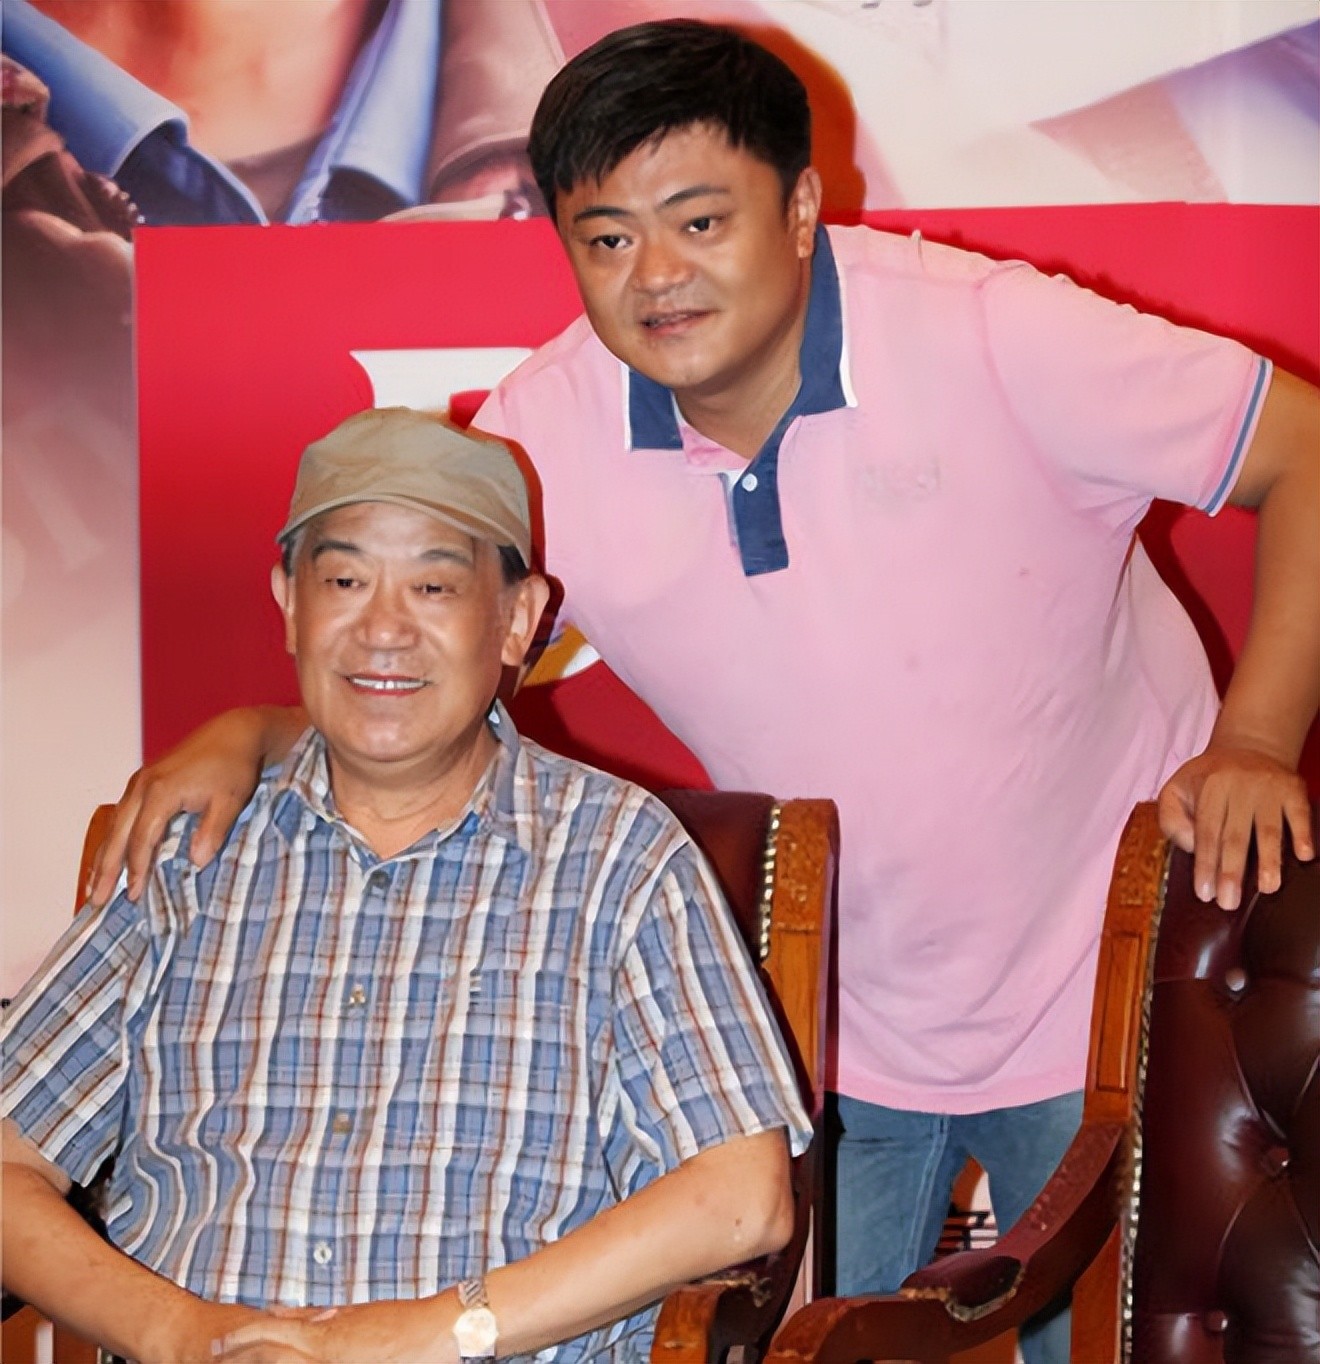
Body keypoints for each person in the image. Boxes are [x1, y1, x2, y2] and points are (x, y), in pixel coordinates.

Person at [87, 21, 1320, 1364]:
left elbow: (1305, 451)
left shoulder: (989, 331)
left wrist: (1257, 736)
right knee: (792, 1344)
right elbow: (421, 660)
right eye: (608, 237)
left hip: (1116, 973)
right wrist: (246, 735)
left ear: (799, 207)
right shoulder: (542, 438)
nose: (657, 276)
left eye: (699, 221)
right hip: (822, 1022)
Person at [0, 407, 810, 1364]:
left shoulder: (617, 858)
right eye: (344, 581)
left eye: (434, 586)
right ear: (289, 604)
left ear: (518, 620)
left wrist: (432, 1331)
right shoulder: (187, 853)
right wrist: (179, 1335)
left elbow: (740, 1197)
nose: (383, 628)